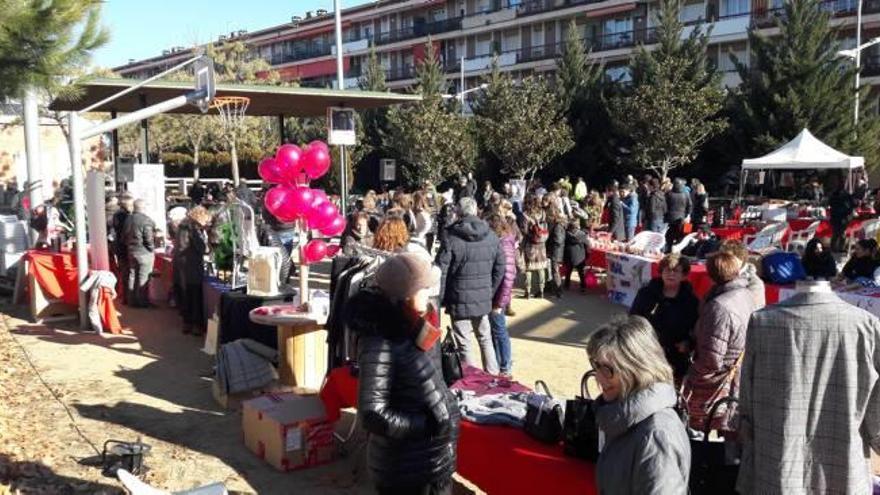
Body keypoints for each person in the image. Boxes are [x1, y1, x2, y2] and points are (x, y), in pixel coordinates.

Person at [737, 279, 880, 494]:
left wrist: (747, 431)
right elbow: (876, 411)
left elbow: (746, 395)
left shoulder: (763, 321)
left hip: (777, 458)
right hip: (844, 461)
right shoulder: (867, 326)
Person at [345, 253, 459, 495]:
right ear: (404, 295)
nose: (429, 294)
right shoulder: (380, 339)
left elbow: (430, 379)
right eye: (423, 288)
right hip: (405, 469)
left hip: (432, 462)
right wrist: (426, 426)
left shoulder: (417, 324)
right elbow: (373, 413)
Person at [587, 315, 691, 494]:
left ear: (637, 368)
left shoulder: (656, 435)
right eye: (596, 366)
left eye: (607, 369)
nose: (598, 377)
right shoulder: (624, 415)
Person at [684, 251, 757, 433]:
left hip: (723, 377)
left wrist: (693, 372)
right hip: (741, 370)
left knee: (711, 430)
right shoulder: (745, 293)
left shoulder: (719, 307)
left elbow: (712, 357)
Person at [437, 197, 505, 375]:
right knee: (485, 338)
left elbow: (441, 270)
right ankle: (493, 375)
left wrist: (441, 297)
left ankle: (473, 379)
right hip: (482, 296)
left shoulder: (450, 237)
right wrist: (490, 290)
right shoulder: (491, 235)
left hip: (459, 297)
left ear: (459, 212)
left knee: (464, 341)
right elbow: (500, 267)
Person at [629, 254, 699, 383]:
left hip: (675, 355)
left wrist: (688, 342)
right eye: (667, 270)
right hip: (647, 351)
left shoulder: (691, 300)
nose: (670, 274)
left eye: (676, 271)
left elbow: (696, 327)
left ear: (684, 275)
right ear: (661, 272)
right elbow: (633, 318)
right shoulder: (646, 293)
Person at [487, 214, 516, 377]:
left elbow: (508, 276)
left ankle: (505, 366)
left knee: (499, 330)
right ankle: (499, 364)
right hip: (496, 294)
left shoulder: (503, 245)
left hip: (498, 297)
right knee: (495, 330)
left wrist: (499, 302)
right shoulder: (503, 242)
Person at [174, 206, 211, 335]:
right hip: (192, 263)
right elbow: (202, 248)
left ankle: (187, 323)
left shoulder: (182, 225)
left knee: (186, 294)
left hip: (182, 263)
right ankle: (196, 324)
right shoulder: (192, 228)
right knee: (195, 294)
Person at [123, 199, 156, 308]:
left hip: (131, 250)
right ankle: (142, 302)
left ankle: (131, 300)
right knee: (143, 277)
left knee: (132, 275)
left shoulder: (128, 219)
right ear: (143, 207)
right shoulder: (146, 220)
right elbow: (148, 239)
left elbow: (124, 235)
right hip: (143, 252)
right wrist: (152, 249)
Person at [718, 239, 765, 309]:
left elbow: (750, 313)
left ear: (740, 259)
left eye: (727, 258)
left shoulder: (754, 284)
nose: (721, 261)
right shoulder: (724, 275)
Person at [521, 197, 549, 298]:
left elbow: (524, 230)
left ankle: (527, 292)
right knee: (540, 268)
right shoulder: (542, 212)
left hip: (531, 245)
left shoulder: (526, 214)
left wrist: (530, 236)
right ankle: (541, 291)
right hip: (541, 245)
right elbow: (545, 226)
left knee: (529, 268)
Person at [112, 194, 133, 303]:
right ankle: (128, 296)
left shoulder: (117, 215)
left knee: (124, 271)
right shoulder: (126, 216)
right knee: (127, 272)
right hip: (124, 246)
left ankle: (125, 295)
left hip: (120, 246)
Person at [665, 179, 692, 251]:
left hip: (671, 217)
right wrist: (687, 214)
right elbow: (690, 205)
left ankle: (669, 249)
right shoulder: (685, 194)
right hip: (682, 217)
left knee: (670, 235)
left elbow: (665, 205)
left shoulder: (669, 194)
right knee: (682, 234)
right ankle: (680, 249)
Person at [828, 180, 855, 253]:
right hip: (840, 217)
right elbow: (851, 206)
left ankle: (837, 248)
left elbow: (830, 204)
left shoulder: (835, 195)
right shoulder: (844, 195)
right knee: (839, 234)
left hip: (839, 217)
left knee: (838, 234)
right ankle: (837, 248)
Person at [563, 219, 589, 292]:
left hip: (569, 255)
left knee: (568, 271)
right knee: (581, 272)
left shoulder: (566, 234)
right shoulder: (582, 234)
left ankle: (567, 284)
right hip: (580, 256)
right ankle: (583, 286)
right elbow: (587, 245)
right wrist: (587, 255)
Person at [545, 206, 566, 299]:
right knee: (554, 270)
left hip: (556, 251)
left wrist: (550, 240)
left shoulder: (557, 226)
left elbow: (558, 240)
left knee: (555, 271)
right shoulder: (559, 224)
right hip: (556, 250)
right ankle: (554, 288)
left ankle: (559, 290)